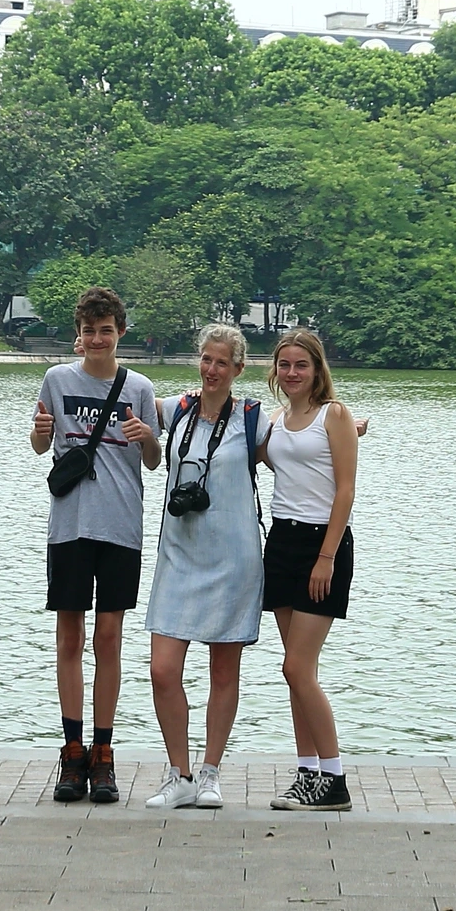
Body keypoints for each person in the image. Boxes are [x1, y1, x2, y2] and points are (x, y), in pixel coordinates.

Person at [31, 286, 161, 804]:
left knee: (109, 638)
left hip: (121, 527)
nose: (96, 339)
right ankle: (72, 749)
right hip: (70, 526)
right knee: (69, 637)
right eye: (88, 331)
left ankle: (104, 753)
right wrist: (40, 433)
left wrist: (144, 437)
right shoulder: (57, 380)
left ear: (120, 333)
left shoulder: (140, 388)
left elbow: (153, 461)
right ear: (78, 335)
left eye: (106, 330)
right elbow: (43, 445)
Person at [143, 324, 266, 809]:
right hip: (179, 555)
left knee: (223, 670)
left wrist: (340, 425)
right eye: (206, 360)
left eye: (222, 363)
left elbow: (303, 430)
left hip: (234, 559)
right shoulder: (178, 409)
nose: (212, 370)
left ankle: (211, 773)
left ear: (238, 368)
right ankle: (179, 774)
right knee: (162, 670)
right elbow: (126, 398)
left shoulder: (254, 419)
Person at [262, 328, 359, 813]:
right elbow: (249, 450)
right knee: (298, 673)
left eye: (302, 365)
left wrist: (326, 556)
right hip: (281, 541)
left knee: (297, 666)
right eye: (285, 365)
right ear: (275, 371)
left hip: (323, 545)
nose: (293, 373)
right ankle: (308, 773)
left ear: (318, 369)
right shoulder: (277, 420)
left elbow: (344, 491)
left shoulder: (334, 415)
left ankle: (335, 779)